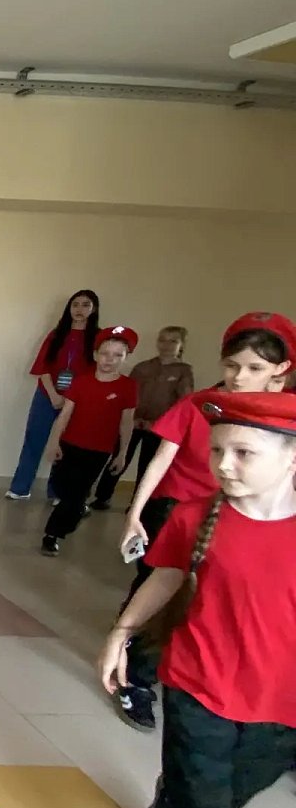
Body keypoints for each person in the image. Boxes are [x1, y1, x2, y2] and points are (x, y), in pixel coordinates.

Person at [97, 389, 296, 808]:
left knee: (220, 796)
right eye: (217, 452)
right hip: (198, 688)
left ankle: (173, 796)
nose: (224, 465)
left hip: (281, 708)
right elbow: (166, 577)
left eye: (244, 453)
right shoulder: (195, 516)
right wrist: (121, 634)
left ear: (291, 458)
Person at [112, 312, 296, 731]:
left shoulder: (285, 419)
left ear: (280, 370)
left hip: (246, 521)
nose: (239, 377)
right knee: (165, 591)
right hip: (181, 509)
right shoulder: (201, 404)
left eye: (254, 368)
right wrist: (135, 512)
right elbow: (161, 458)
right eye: (231, 365)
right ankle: (136, 676)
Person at [39, 326, 138, 557]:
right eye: (105, 353)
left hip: (98, 451)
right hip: (70, 445)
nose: (110, 359)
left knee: (74, 495)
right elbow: (64, 415)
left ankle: (52, 535)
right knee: (62, 488)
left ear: (125, 358)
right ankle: (76, 509)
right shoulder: (81, 381)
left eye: (117, 355)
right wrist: (54, 442)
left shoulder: (127, 386)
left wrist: (122, 453)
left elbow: (126, 422)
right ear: (95, 354)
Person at [7, 290, 100, 501]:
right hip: (46, 394)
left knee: (66, 445)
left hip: (77, 400)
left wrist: (71, 398)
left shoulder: (98, 338)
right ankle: (20, 488)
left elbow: (96, 372)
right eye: (75, 304)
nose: (79, 309)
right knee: (34, 439)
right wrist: (53, 395)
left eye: (86, 305)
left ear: (94, 309)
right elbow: (43, 366)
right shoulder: (57, 334)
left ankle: (57, 491)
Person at [90, 326, 194, 511]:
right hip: (133, 422)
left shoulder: (183, 371)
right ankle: (102, 496)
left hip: (159, 428)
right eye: (162, 340)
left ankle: (137, 504)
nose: (166, 345)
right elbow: (127, 393)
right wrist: (132, 417)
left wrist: (158, 423)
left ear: (182, 345)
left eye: (173, 341)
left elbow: (183, 403)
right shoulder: (143, 367)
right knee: (119, 457)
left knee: (147, 465)